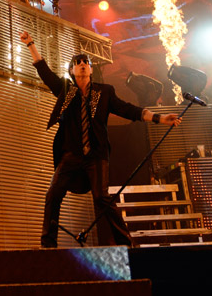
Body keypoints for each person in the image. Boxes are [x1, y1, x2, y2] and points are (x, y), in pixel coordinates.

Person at [20, 31, 180, 248]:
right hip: (70, 154)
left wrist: (159, 118)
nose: (82, 65)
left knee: (101, 198)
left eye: (86, 62)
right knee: (53, 194)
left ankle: (126, 243)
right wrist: (30, 43)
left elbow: (127, 109)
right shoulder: (66, 90)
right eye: (78, 63)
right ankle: (48, 245)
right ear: (71, 70)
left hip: (96, 155)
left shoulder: (104, 92)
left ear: (91, 69)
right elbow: (45, 72)